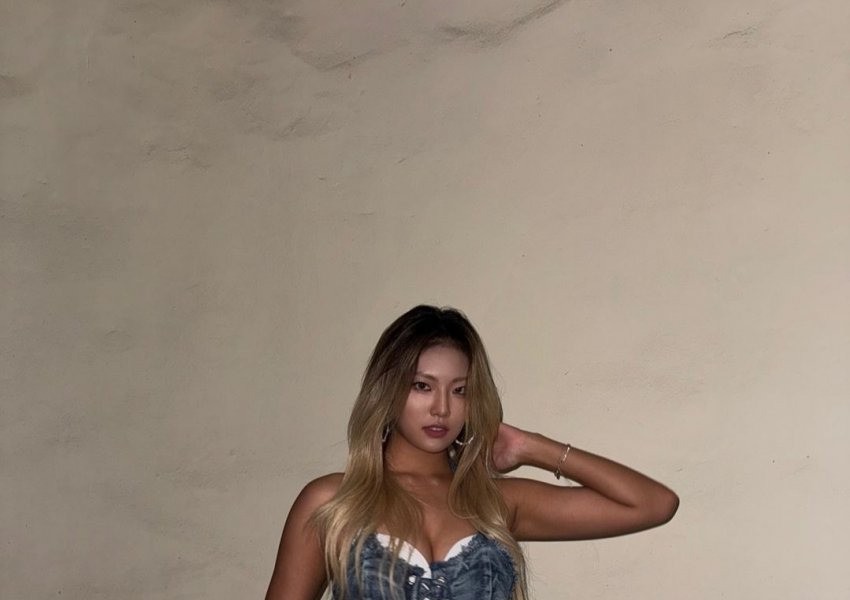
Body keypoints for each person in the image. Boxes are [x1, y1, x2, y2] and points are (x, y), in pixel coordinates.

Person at [264, 305, 679, 600]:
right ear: (387, 390)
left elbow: (654, 503)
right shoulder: (334, 502)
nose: (442, 408)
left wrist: (531, 447)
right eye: (422, 386)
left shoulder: (495, 501)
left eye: (460, 390)